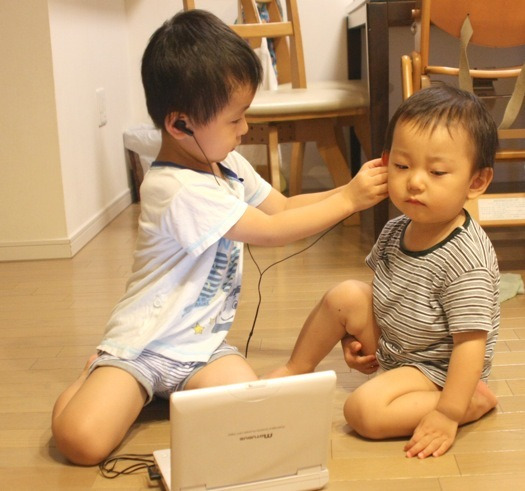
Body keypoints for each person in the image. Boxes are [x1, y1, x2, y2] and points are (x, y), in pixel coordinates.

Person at [51, 9, 388, 466]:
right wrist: (349, 199)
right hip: (146, 346)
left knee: (250, 418)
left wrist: (352, 190)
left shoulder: (224, 163)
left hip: (202, 348)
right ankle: (97, 374)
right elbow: (270, 231)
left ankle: (143, 396)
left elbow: (284, 206)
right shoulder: (173, 188)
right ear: (180, 125)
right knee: (81, 443)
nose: (244, 129)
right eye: (234, 120)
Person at [267, 84, 500, 459]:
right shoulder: (397, 228)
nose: (415, 181)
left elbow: (470, 345)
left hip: (438, 367)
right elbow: (381, 297)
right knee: (345, 295)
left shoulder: (466, 259)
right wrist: (351, 340)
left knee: (363, 411)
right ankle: (296, 368)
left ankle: (472, 400)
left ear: (476, 182)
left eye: (437, 171)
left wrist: (446, 414)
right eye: (402, 166)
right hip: (400, 346)